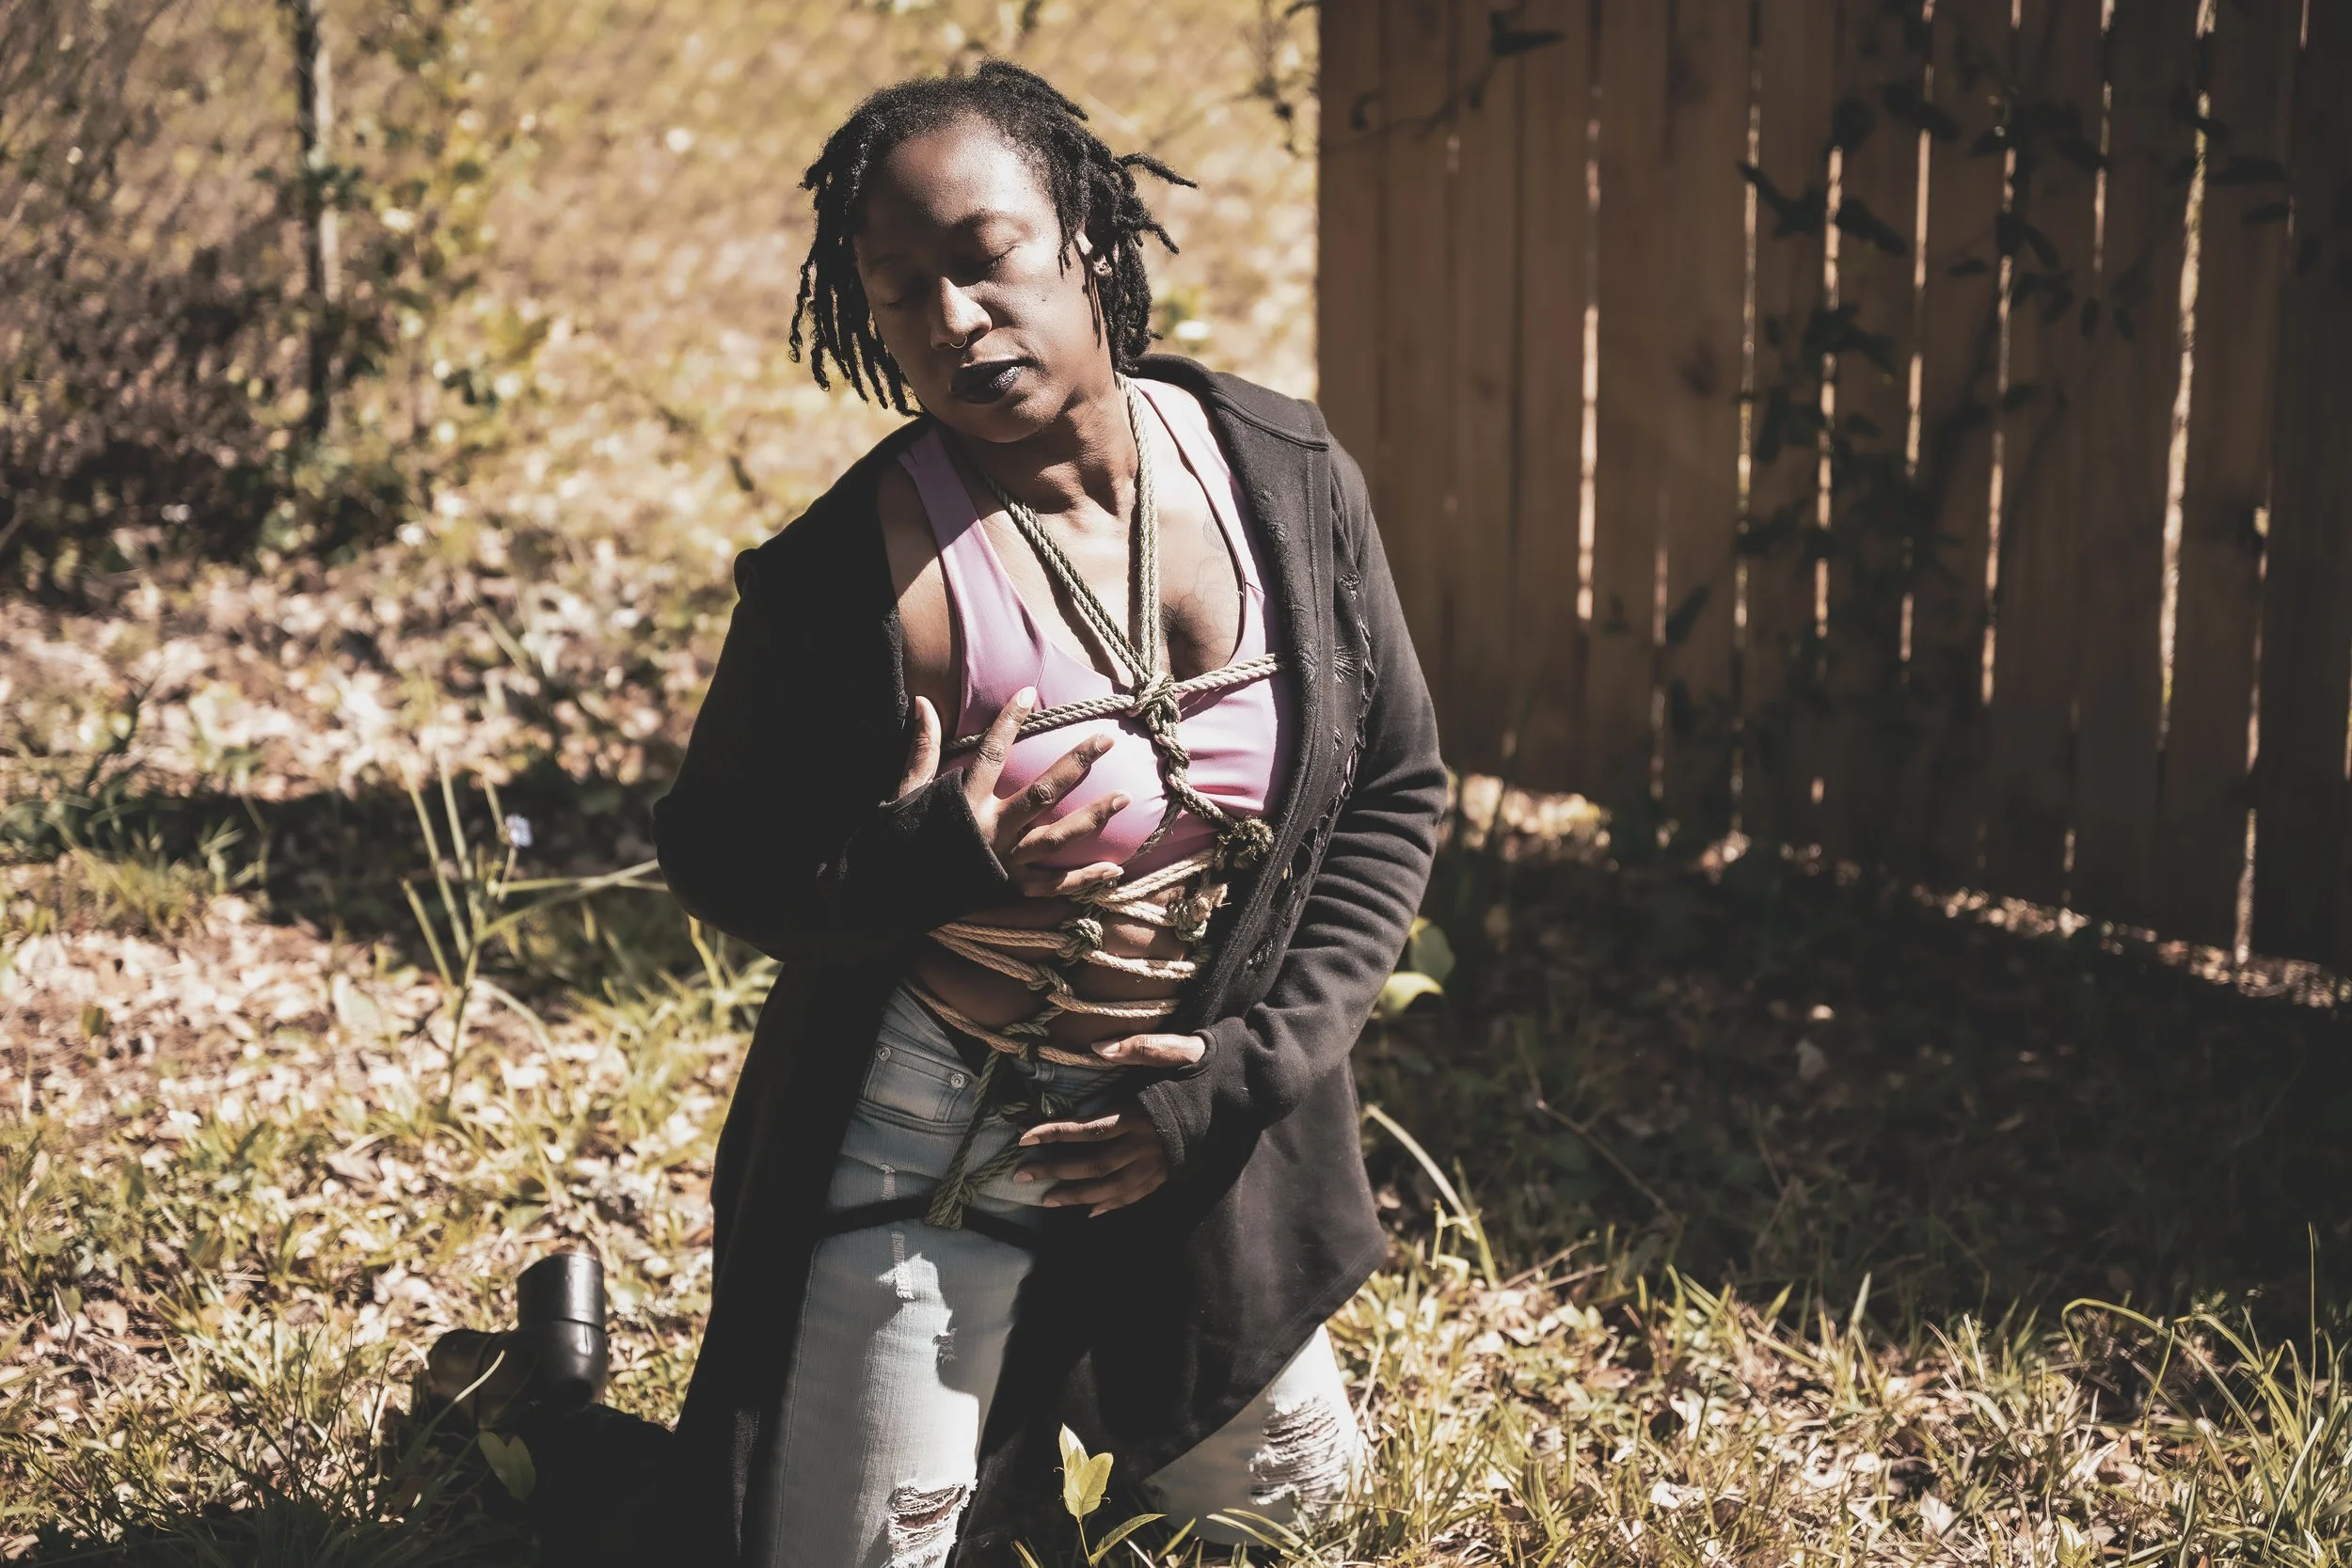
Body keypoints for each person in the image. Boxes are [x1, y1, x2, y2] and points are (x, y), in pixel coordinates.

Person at [655, 61, 1444, 1568]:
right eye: (899, 294)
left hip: (1185, 1156)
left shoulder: (1283, 472)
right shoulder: (849, 578)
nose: (951, 319)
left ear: (1083, 233)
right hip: (926, 1148)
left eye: (983, 257)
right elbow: (716, 852)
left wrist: (1233, 1077)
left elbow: (1398, 789)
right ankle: (552, 1402)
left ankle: (1065, 1398)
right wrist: (928, 856)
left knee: (1307, 1521)